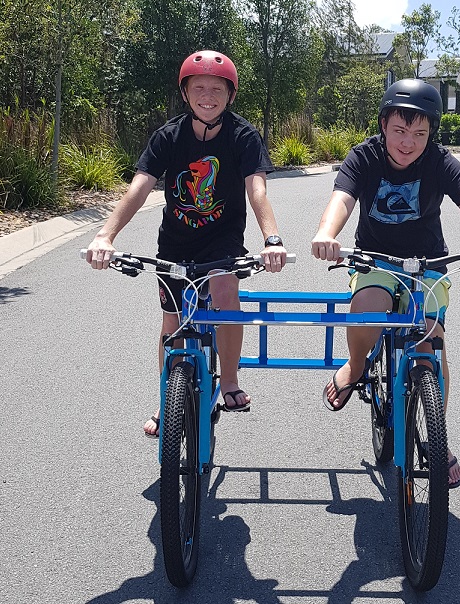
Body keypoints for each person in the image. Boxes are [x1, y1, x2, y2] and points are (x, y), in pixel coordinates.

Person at [311, 79, 460, 488]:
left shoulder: (439, 162)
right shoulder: (365, 157)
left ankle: (437, 436)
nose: (408, 142)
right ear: (383, 125)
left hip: (428, 263)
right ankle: (355, 368)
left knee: (431, 341)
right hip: (374, 259)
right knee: (367, 309)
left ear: (431, 134)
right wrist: (327, 233)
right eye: (399, 131)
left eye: (419, 134)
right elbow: (341, 197)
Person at [85, 50, 287, 436]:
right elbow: (140, 186)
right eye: (199, 88)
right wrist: (104, 235)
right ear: (185, 93)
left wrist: (271, 238)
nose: (207, 96)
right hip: (175, 243)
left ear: (230, 95)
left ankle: (228, 379)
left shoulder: (242, 135)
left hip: (221, 239)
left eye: (216, 88)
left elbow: (256, 189)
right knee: (171, 320)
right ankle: (166, 399)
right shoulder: (169, 135)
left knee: (225, 292)